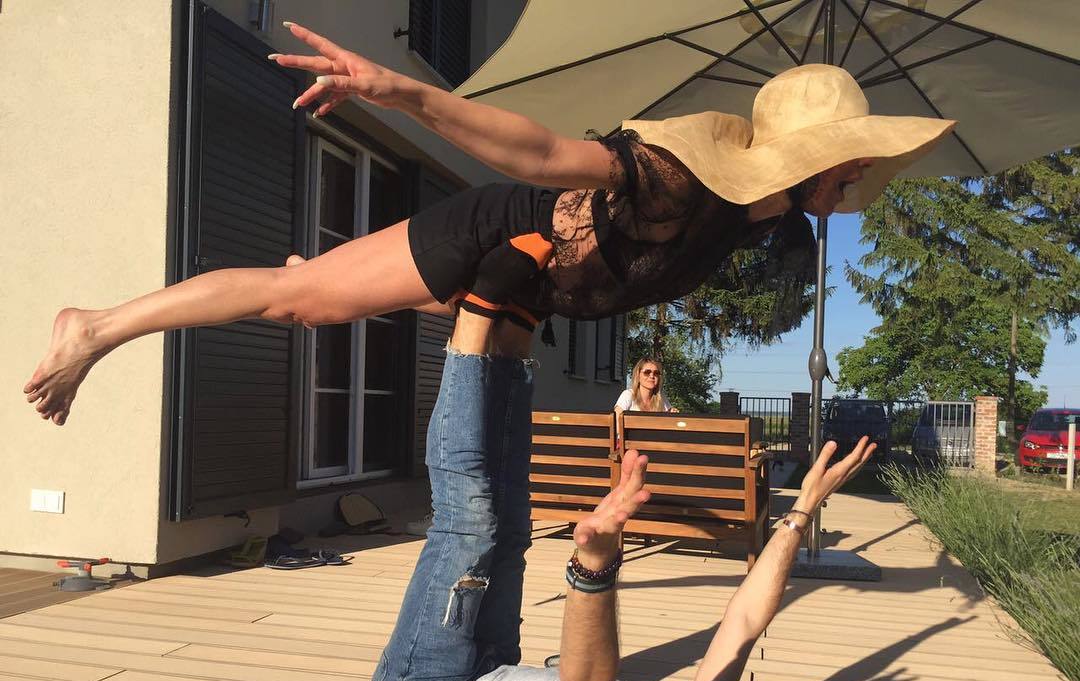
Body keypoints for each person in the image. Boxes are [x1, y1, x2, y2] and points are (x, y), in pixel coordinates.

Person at [24, 21, 954, 426]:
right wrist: (398, 93)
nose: (861, 175)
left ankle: (328, 277)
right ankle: (94, 327)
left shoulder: (764, 219)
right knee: (295, 301)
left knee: (325, 296)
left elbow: (635, 275)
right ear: (807, 157)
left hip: (534, 290)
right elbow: (542, 156)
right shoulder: (677, 174)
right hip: (503, 232)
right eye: (850, 158)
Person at [368, 309, 876, 681]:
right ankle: (518, 328)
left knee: (471, 523)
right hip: (494, 669)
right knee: (511, 528)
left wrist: (595, 566)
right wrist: (803, 509)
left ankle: (475, 316)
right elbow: (743, 622)